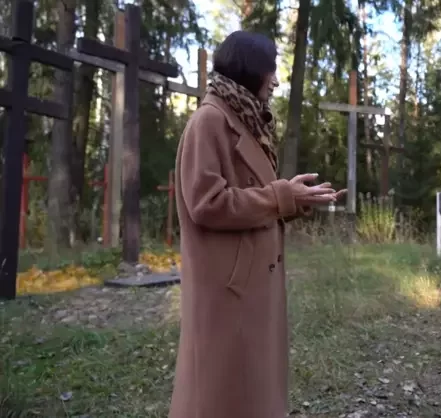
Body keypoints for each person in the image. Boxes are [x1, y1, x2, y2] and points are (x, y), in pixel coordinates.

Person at [168, 31, 345, 418]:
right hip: (227, 288)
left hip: (249, 286)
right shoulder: (209, 121)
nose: (276, 81)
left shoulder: (245, 121)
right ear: (249, 69)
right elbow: (206, 203)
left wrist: (295, 200)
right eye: (271, 70)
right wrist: (281, 196)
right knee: (218, 394)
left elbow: (255, 198)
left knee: (251, 388)